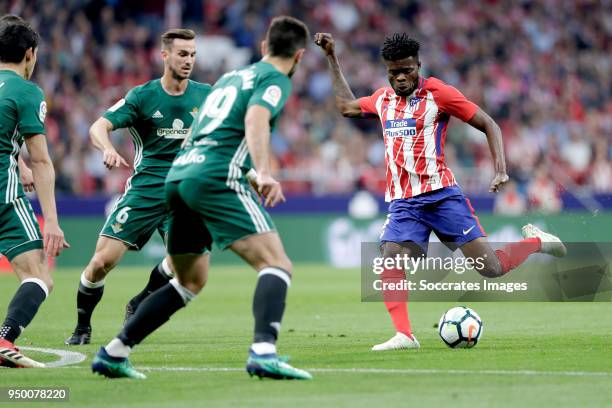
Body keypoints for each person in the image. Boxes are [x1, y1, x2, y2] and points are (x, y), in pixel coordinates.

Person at [91, 16, 312, 381]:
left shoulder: (230, 78)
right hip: (215, 177)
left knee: (188, 281)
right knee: (277, 265)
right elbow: (256, 118)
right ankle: (263, 352)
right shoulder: (273, 78)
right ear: (299, 56)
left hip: (180, 176)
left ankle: (114, 353)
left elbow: (200, 130)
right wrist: (264, 171)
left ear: (262, 48)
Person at [315, 32, 566, 351]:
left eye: (407, 69)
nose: (401, 77)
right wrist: (332, 57)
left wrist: (501, 169)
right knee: (391, 255)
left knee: (491, 269)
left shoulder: (438, 93)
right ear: (387, 71)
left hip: (443, 198)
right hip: (405, 203)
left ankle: (537, 242)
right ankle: (405, 335)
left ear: (418, 65)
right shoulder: (382, 99)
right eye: (394, 72)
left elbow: (490, 123)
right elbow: (346, 106)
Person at [65, 29, 212, 345]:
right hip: (146, 190)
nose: (188, 60)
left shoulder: (206, 95)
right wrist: (106, 147)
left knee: (180, 265)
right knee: (101, 263)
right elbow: (98, 126)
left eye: (192, 54)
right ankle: (82, 326)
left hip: (185, 195)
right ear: (165, 55)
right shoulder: (142, 96)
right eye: (182, 54)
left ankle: (140, 301)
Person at [0, 15, 69, 367]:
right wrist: (52, 222)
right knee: (39, 276)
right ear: (30, 54)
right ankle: (5, 339)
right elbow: (42, 161)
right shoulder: (26, 91)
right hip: (2, 194)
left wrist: (18, 164)